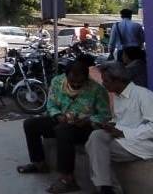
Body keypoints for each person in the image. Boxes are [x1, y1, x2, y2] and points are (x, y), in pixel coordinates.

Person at [17, 55, 111, 194]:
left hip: (84, 127)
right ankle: (39, 163)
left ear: (87, 78)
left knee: (63, 131)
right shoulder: (57, 82)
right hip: (62, 120)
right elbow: (51, 104)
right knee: (30, 124)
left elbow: (105, 115)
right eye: (73, 82)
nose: (76, 85)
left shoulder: (97, 90)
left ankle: (68, 179)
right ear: (66, 76)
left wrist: (88, 120)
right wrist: (57, 115)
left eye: (80, 83)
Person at [86, 62, 153, 194]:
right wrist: (110, 124)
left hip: (140, 144)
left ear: (118, 80)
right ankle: (107, 188)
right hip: (122, 140)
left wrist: (124, 132)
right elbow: (121, 120)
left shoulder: (143, 95)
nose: (103, 84)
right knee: (96, 136)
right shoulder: (117, 95)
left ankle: (106, 189)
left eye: (106, 81)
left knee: (95, 149)